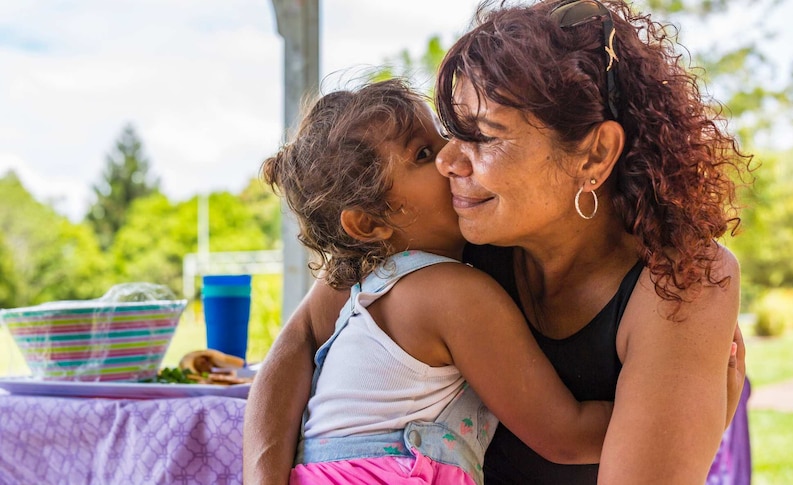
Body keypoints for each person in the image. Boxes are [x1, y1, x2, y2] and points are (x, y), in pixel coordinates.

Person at [244, 1, 751, 483]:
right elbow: (304, 336)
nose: (447, 160)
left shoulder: (681, 281)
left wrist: (684, 425)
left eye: (482, 136)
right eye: (450, 131)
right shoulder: (447, 237)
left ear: (595, 155)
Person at [257, 78, 613, 484]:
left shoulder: (374, 288)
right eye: (423, 154)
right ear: (369, 222)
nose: (449, 156)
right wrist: (677, 409)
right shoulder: (450, 295)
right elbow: (565, 436)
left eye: (442, 135)